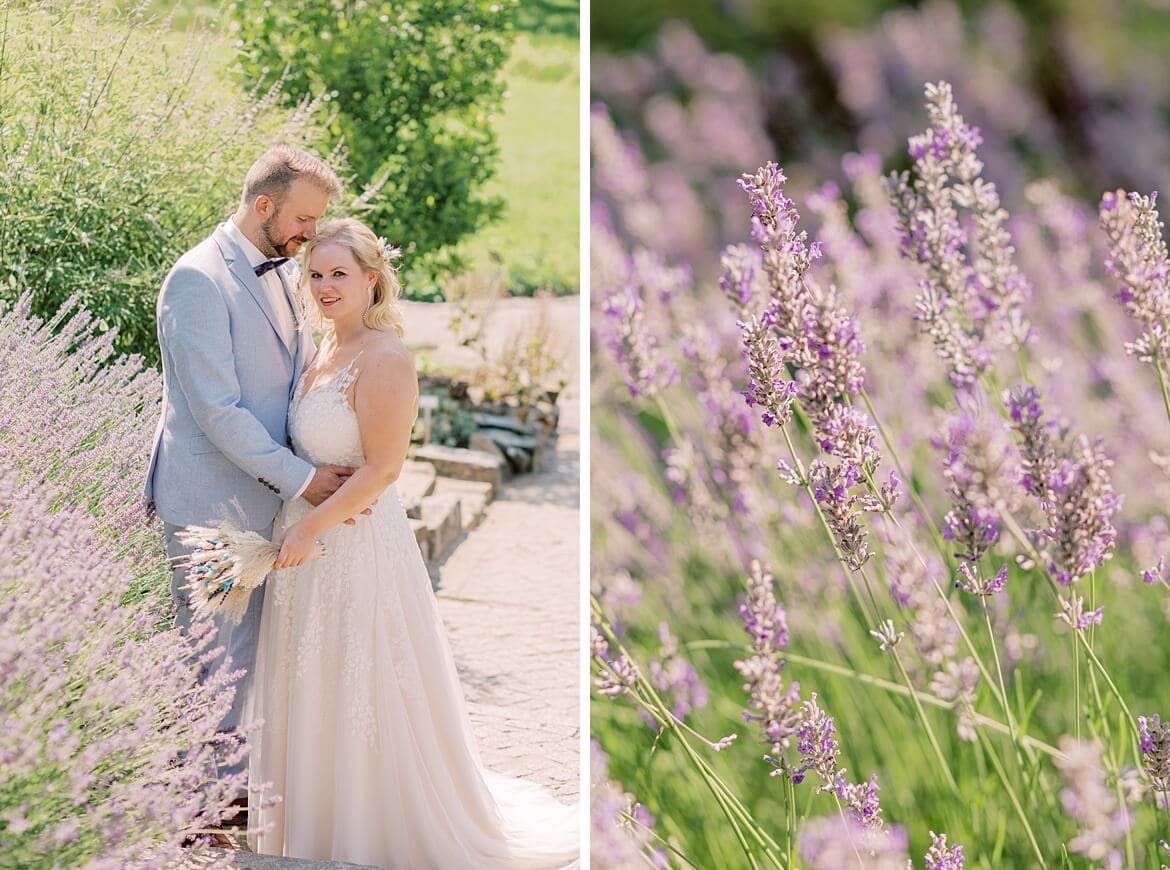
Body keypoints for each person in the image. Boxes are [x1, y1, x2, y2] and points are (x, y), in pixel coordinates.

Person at [247, 217, 580, 867]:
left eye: (339, 274)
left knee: (361, 679)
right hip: (305, 548)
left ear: (372, 278)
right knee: (311, 680)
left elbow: (384, 469)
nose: (324, 286)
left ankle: (369, 830)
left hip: (353, 544)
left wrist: (311, 526)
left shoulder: (385, 357)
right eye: (315, 274)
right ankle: (311, 827)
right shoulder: (319, 349)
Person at [143, 146, 356, 800]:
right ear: (264, 205)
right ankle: (195, 809)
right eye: (303, 218)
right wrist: (304, 479)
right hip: (210, 508)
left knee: (245, 660)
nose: (310, 234)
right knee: (210, 659)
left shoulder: (284, 270)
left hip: (265, 506)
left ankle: (229, 795)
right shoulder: (198, 280)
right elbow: (219, 412)